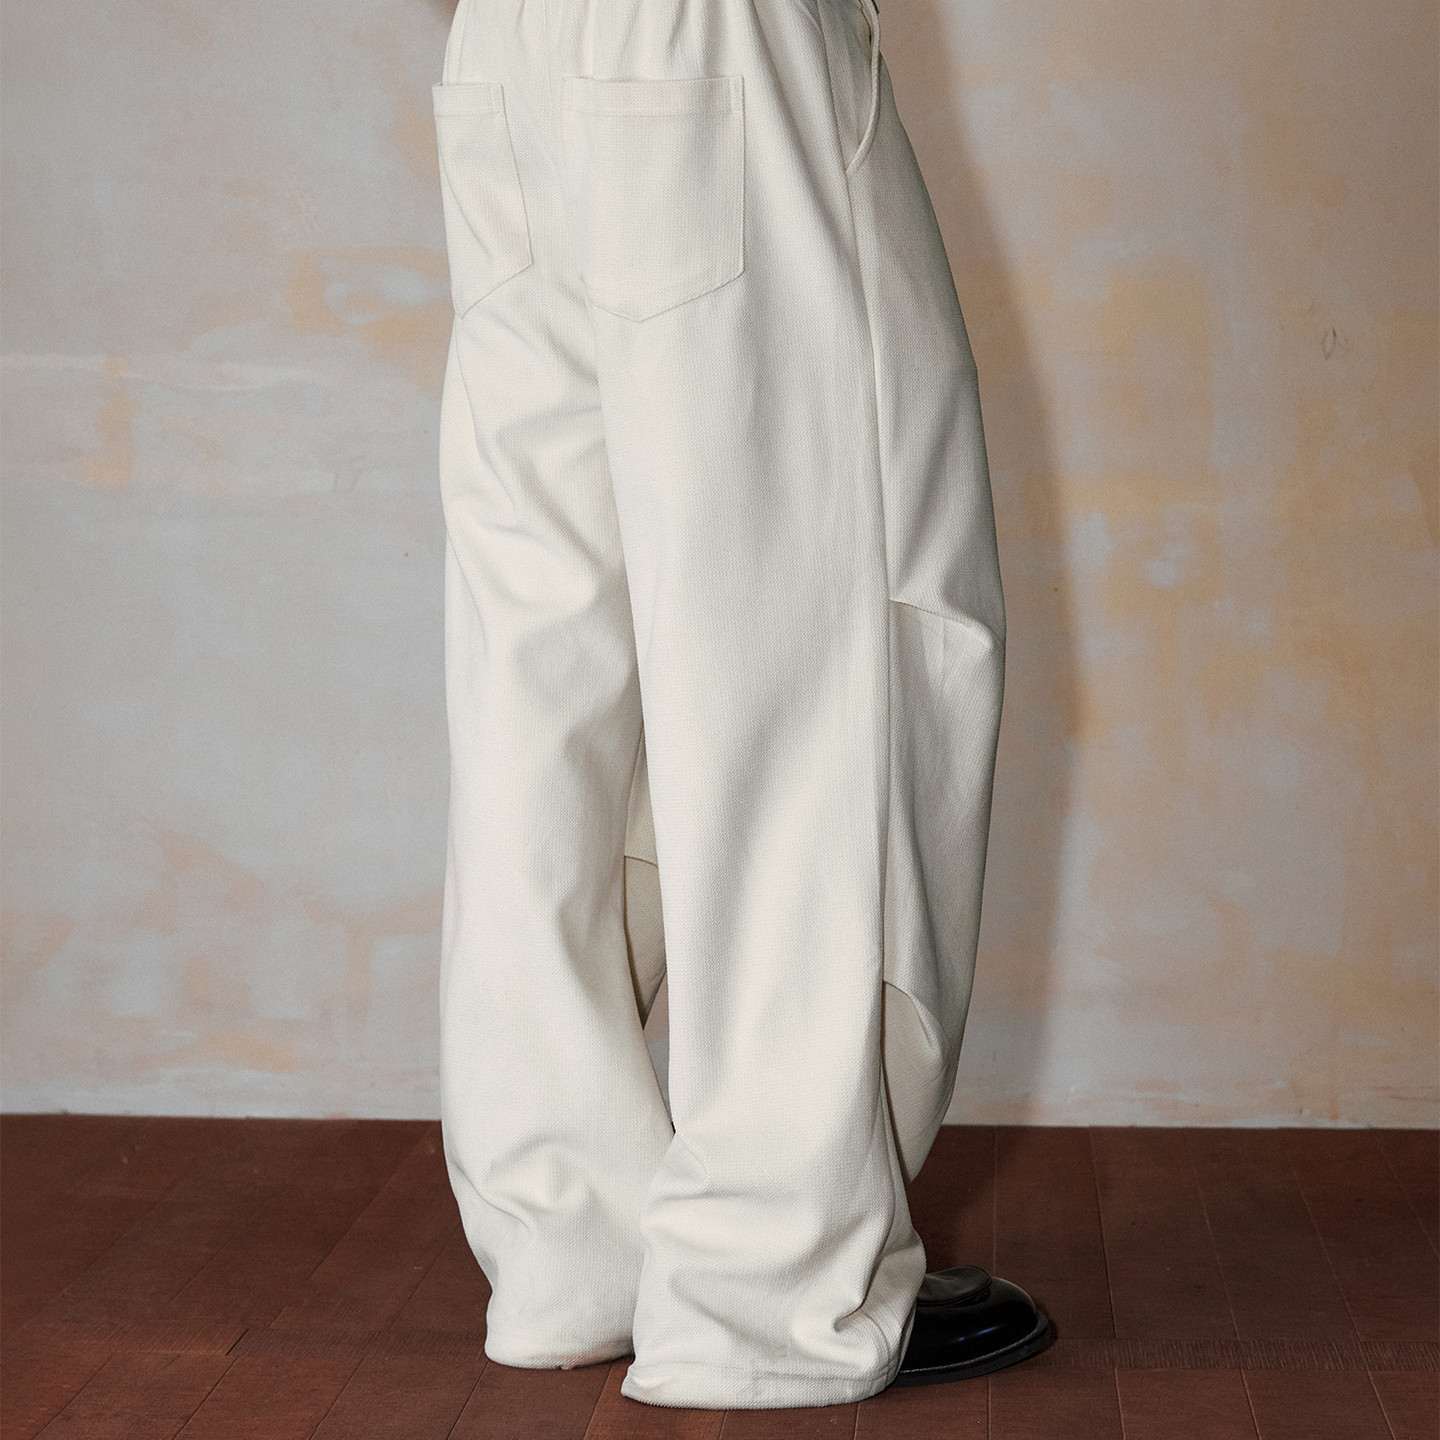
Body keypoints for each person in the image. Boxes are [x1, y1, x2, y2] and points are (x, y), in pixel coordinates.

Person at [429, 0, 1050, 1409]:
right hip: (716, 33)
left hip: (504, 41)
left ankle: (569, 1247)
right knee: (810, 646)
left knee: (545, 667)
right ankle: (772, 1281)